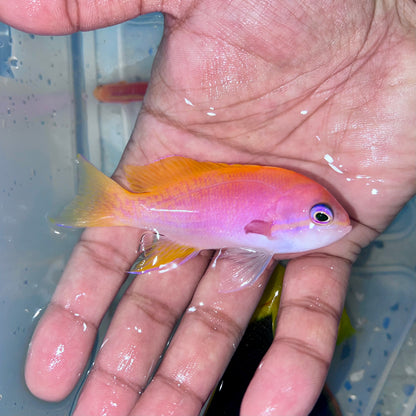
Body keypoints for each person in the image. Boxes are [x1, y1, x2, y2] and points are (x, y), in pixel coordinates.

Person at [1, 1, 415, 415]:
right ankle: (111, 204)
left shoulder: (282, 214)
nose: (336, 223)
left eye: (324, 214)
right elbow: (247, 248)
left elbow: (245, 245)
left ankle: (112, 204)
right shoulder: (278, 221)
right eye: (321, 216)